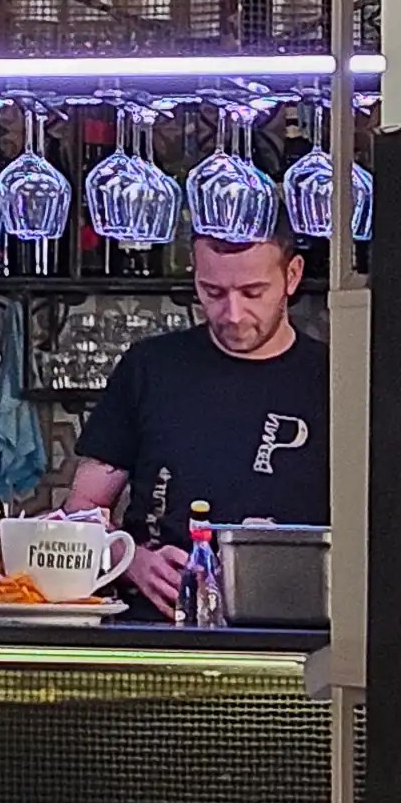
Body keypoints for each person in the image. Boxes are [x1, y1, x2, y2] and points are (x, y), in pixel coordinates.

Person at [64, 233, 328, 618]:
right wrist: (130, 559)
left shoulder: (333, 377)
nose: (233, 314)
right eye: (213, 292)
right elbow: (81, 507)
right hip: (158, 626)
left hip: (296, 627)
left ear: (293, 274)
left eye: (253, 292)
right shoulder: (150, 368)